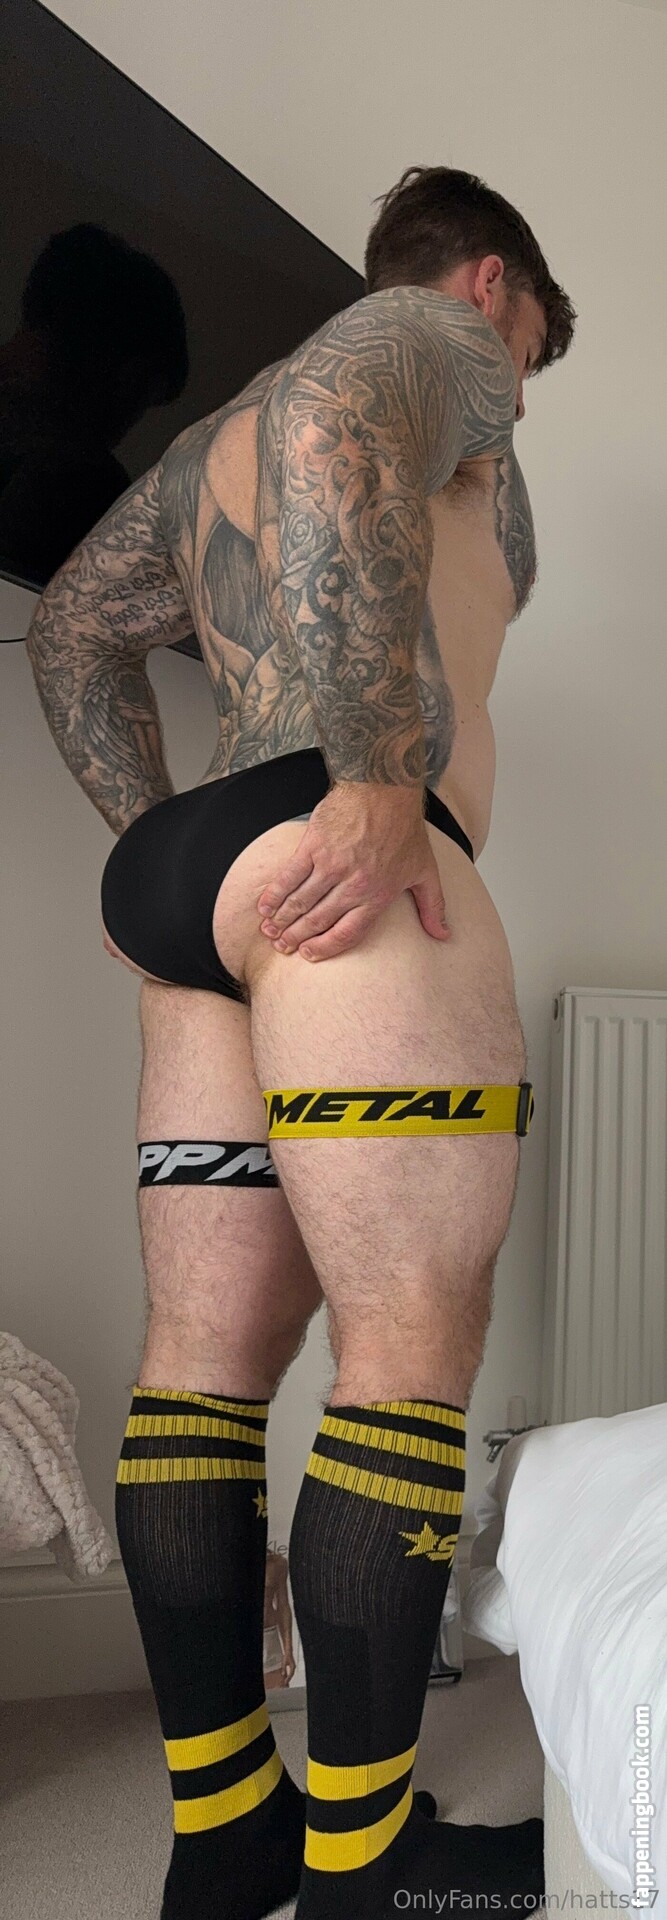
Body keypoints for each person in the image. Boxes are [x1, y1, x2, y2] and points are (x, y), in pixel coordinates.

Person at [25, 167, 576, 1920]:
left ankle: (225, 1832)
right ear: (493, 287)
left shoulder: (210, 445)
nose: (517, 397)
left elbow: (73, 624)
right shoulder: (433, 336)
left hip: (208, 878)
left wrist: (153, 848)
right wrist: (381, 773)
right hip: (346, 862)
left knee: (200, 1366)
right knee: (402, 1356)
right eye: (533, 353)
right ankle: (361, 1864)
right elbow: (349, 400)